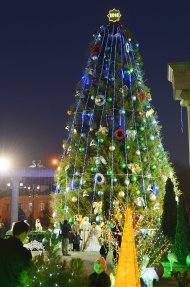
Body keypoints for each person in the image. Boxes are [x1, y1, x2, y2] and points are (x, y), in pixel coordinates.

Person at [0, 220, 32, 287]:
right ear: (23, 233)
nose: (27, 237)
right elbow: (27, 273)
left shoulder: (1, 243)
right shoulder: (23, 252)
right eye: (27, 234)